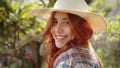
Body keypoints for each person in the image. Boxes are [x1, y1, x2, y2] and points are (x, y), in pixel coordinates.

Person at [30, 0, 107, 68]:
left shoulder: (71, 61)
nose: (57, 29)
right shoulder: (84, 52)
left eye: (67, 22)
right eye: (55, 21)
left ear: (80, 27)